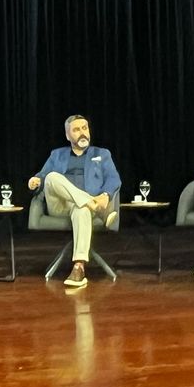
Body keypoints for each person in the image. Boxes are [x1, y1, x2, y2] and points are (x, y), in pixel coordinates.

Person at [27, 114, 121, 288]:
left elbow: (114, 178)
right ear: (68, 135)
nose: (82, 133)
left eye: (84, 128)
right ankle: (93, 204)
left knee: (82, 209)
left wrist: (106, 195)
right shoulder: (57, 155)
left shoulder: (102, 154)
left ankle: (78, 268)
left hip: (82, 207)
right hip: (59, 205)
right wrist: (36, 180)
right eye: (76, 130)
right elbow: (43, 175)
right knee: (52, 176)